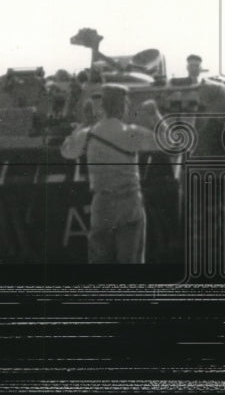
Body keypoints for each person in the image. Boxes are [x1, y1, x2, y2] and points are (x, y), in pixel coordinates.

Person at [60, 84, 164, 264]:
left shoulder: (88, 134)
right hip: (129, 202)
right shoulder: (131, 133)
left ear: (103, 107)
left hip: (102, 203)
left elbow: (66, 151)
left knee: (100, 258)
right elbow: (169, 143)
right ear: (123, 107)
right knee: (130, 259)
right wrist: (156, 116)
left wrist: (84, 124)